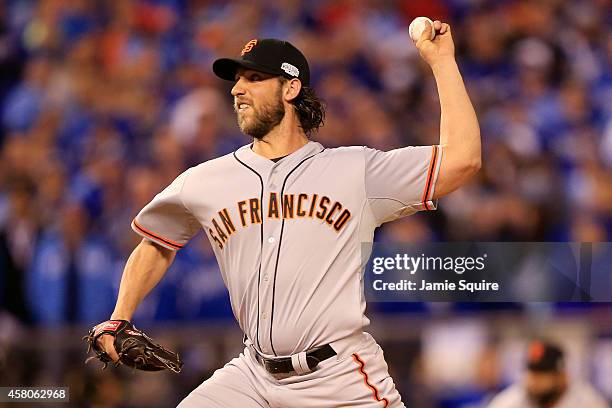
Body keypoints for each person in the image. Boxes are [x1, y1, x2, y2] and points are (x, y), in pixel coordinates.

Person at [95, 20, 481, 407]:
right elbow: (156, 243)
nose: (237, 89)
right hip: (252, 374)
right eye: (236, 80)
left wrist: (441, 60)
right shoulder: (206, 180)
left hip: (338, 377)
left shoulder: (354, 171)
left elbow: (462, 160)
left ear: (291, 88)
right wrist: (120, 316)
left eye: (254, 78)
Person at [487, 340, 609, 408]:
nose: (534, 381)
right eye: (532, 373)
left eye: (542, 374)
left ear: (562, 377)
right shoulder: (510, 402)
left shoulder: (589, 402)